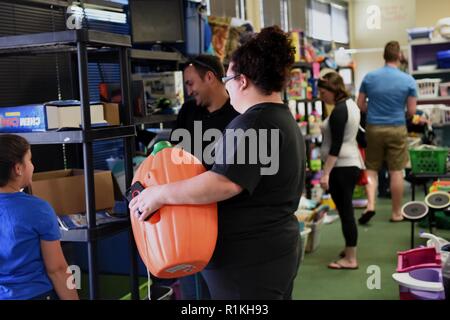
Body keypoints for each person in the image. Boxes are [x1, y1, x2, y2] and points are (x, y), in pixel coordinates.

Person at [130, 25, 306, 300]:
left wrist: (159, 194)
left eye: (229, 78)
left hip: (248, 259)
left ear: (243, 81)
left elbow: (223, 183)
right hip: (272, 249)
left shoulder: (253, 123)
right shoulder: (280, 118)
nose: (227, 86)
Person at [169, 54, 239, 300]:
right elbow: (175, 155)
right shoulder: (188, 111)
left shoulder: (238, 115)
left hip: (228, 221)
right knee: (192, 292)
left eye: (190, 83)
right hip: (189, 216)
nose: (189, 91)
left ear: (209, 77)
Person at [0, 134, 79, 300]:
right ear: (18, 169)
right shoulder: (38, 209)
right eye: (29, 160)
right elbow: (57, 269)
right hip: (36, 294)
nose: (33, 166)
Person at [357, 41, 417, 223]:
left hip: (373, 127)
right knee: (396, 171)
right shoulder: (408, 80)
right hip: (397, 127)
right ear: (399, 56)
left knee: (372, 169)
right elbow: (412, 111)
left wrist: (372, 111)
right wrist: (400, 114)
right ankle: (396, 213)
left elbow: (360, 104)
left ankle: (370, 206)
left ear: (384, 55)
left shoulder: (369, 77)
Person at [318, 72, 364, 270]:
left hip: (341, 166)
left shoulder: (339, 111)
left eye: (322, 92)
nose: (321, 96)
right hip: (351, 163)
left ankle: (351, 258)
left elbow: (335, 146)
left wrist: (326, 173)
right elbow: (363, 137)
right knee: (347, 210)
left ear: (333, 90)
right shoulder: (351, 105)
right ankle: (349, 249)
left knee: (346, 212)